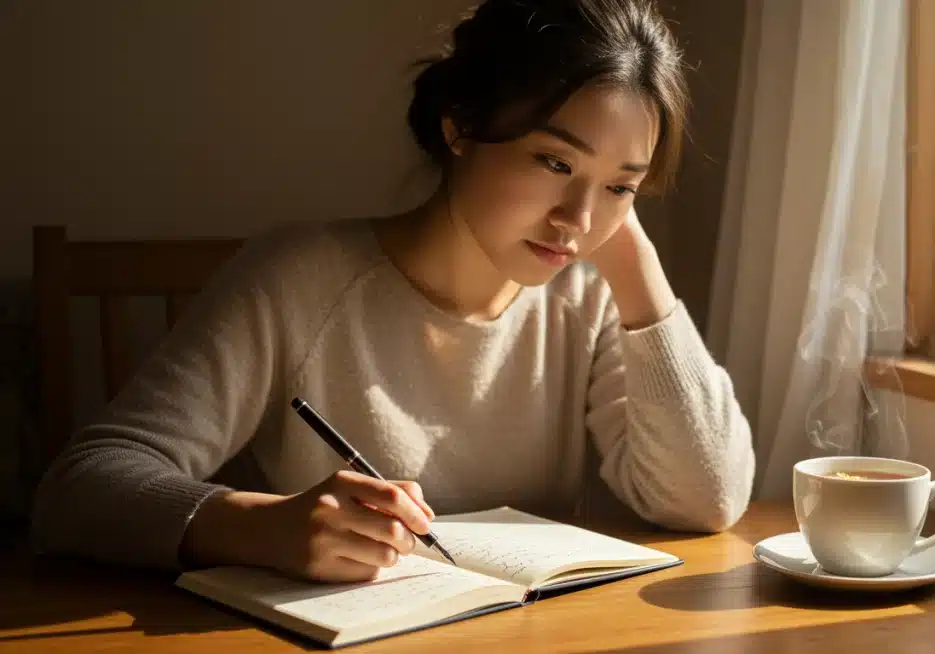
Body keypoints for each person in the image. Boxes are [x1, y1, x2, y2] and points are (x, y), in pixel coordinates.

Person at [30, 0, 755, 583]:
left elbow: (707, 500)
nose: (579, 220)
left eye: (622, 186)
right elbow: (80, 487)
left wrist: (633, 258)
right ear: (461, 126)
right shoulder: (296, 278)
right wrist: (258, 526)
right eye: (554, 162)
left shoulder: (588, 296)